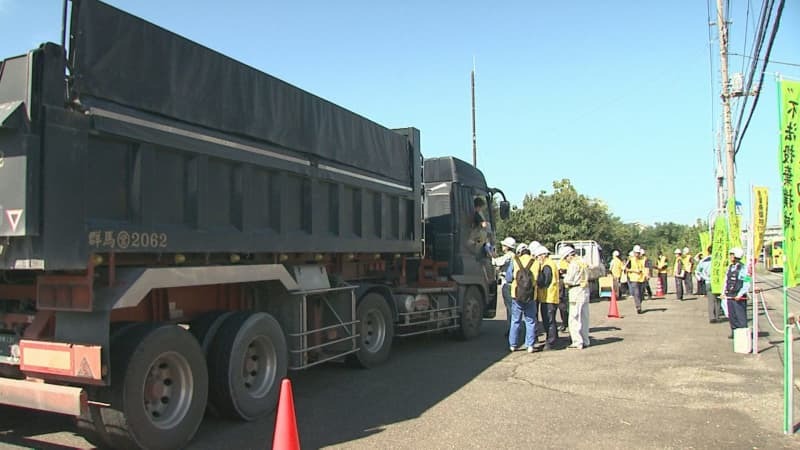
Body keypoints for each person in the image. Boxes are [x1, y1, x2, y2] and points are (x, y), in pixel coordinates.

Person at [508, 243, 538, 353]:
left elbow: (509, 276)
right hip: (531, 295)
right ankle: (530, 345)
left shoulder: (515, 261)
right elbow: (537, 279)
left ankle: (513, 345)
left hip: (516, 294)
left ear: (520, 252)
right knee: (530, 320)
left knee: (515, 320)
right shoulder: (536, 262)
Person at [561, 246, 590, 349]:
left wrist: (564, 278)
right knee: (584, 317)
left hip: (576, 290)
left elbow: (569, 279)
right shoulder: (583, 260)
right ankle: (585, 340)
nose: (566, 260)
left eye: (565, 258)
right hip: (585, 289)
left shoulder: (573, 264)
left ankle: (577, 342)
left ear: (569, 255)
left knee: (574, 318)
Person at [534, 245, 559, 351]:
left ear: (543, 255)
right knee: (550, 320)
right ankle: (552, 339)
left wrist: (537, 280)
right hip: (549, 297)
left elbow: (544, 282)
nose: (537, 259)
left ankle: (551, 342)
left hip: (548, 297)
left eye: (538, 256)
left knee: (548, 321)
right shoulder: (550, 264)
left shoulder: (547, 266)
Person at [722, 247, 751, 339]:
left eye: (732, 254)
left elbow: (747, 282)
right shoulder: (730, 267)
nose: (730, 256)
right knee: (732, 316)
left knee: (740, 316)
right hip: (730, 295)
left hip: (739, 296)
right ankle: (734, 331)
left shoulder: (744, 268)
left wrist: (740, 294)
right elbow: (726, 280)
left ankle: (743, 335)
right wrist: (723, 292)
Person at [492, 236, 517, 334]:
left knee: (510, 308)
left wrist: (489, 254)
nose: (502, 246)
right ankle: (512, 328)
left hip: (507, 284)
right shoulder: (513, 256)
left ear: (507, 247)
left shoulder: (509, 256)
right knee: (512, 307)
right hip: (513, 284)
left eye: (504, 245)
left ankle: (512, 329)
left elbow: (496, 262)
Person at [695, 246, 718, 323]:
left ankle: (712, 317)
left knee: (710, 300)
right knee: (718, 300)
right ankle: (717, 316)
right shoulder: (719, 260)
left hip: (708, 282)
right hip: (718, 282)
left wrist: (702, 277)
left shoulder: (704, 261)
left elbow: (698, 271)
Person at [627, 245, 646, 314]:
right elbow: (626, 268)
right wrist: (634, 271)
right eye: (636, 253)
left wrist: (647, 275)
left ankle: (639, 303)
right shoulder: (630, 260)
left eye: (638, 253)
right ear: (634, 252)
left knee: (641, 294)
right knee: (636, 293)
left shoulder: (643, 259)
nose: (637, 254)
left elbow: (645, 268)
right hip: (634, 278)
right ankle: (638, 307)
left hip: (642, 278)